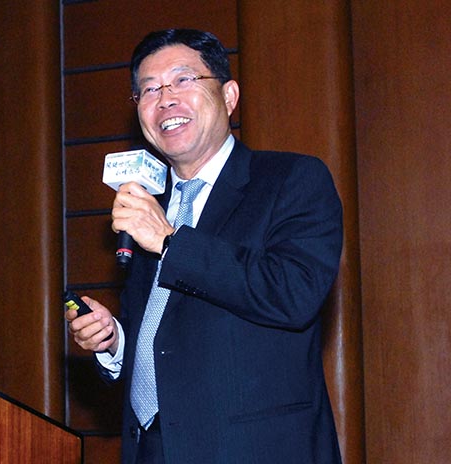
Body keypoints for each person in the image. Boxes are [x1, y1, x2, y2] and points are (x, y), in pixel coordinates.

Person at [66, 29, 343, 464]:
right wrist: (115, 341)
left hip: (252, 451)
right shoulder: (150, 206)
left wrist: (170, 242)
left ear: (229, 96)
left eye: (183, 80)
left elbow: (294, 294)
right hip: (153, 449)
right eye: (149, 90)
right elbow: (166, 334)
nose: (165, 99)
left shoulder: (291, 180)